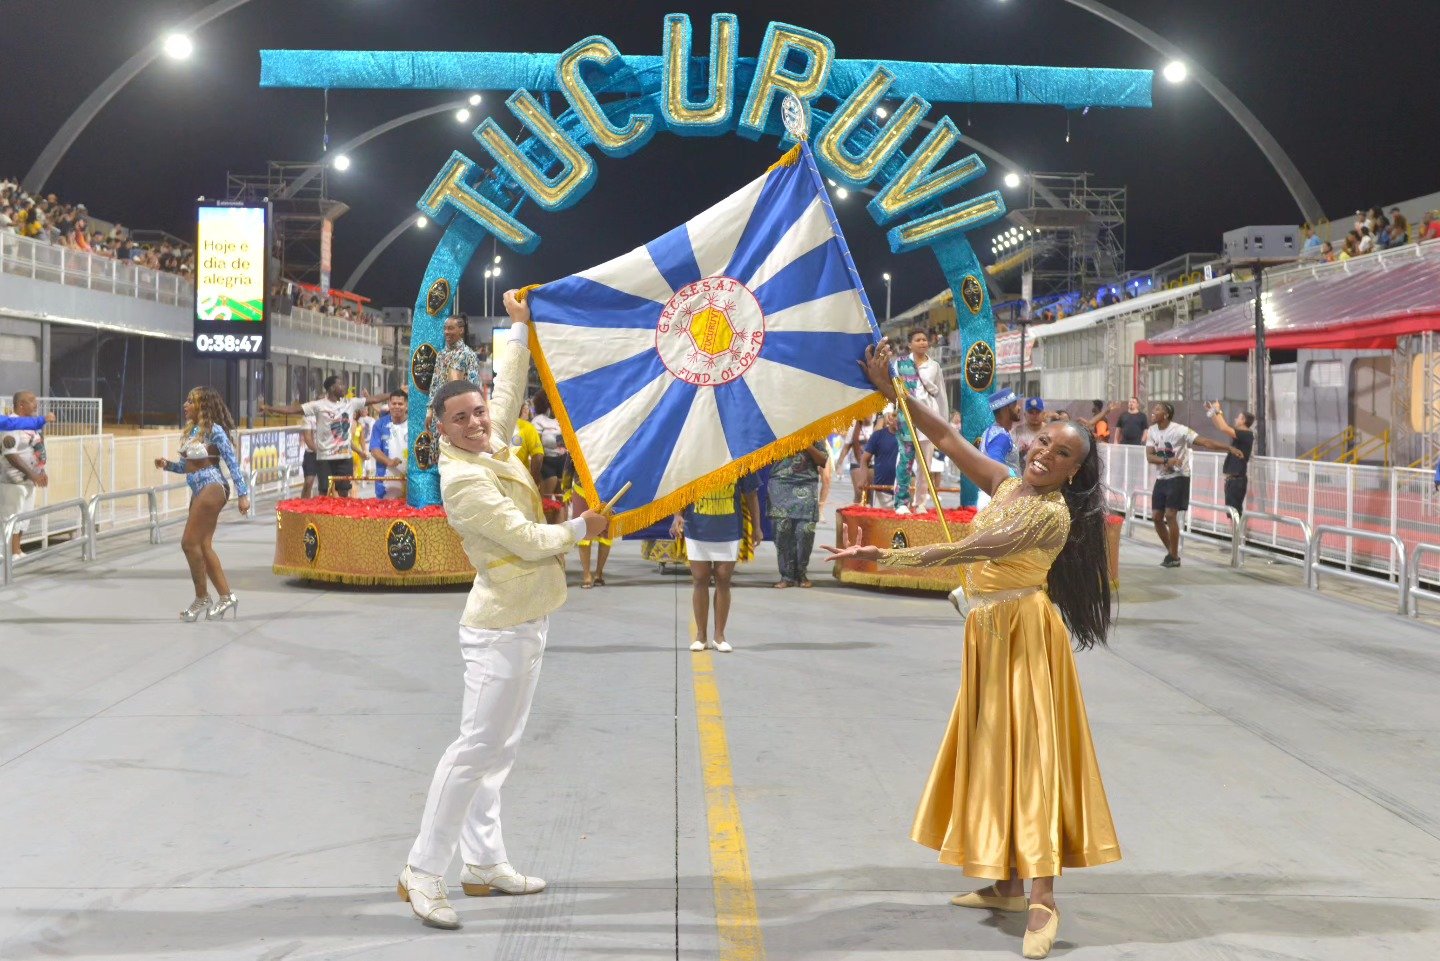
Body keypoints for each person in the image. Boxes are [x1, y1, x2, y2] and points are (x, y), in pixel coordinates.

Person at [825, 341, 1121, 961]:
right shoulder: (1007, 483)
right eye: (1044, 442)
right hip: (988, 633)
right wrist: (895, 393)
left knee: (1033, 757)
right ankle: (1007, 885)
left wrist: (886, 556)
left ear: (1074, 473)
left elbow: (969, 550)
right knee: (994, 751)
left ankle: (1043, 898)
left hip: (1024, 637)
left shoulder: (1050, 516)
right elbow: (948, 438)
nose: (1045, 454)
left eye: (1062, 454)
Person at [398, 290, 609, 930]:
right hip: (497, 632)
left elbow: (509, 391)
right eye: (460, 418)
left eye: (478, 411)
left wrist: (518, 331)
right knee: (473, 752)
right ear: (440, 428)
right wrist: (583, 527)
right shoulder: (463, 481)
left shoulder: (492, 443)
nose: (476, 422)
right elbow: (527, 538)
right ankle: (422, 871)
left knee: (499, 752)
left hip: (527, 620)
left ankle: (484, 862)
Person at [154, 387, 251, 620]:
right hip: (198, 490)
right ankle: (226, 597)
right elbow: (186, 467)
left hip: (213, 487)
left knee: (188, 543)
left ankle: (202, 598)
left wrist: (243, 494)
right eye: (186, 400)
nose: (185, 405)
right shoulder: (192, 432)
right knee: (204, 547)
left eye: (190, 401)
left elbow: (232, 462)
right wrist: (167, 465)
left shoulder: (214, 431)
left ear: (202, 406)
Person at [1144, 402, 1243, 568]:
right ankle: (1172, 553)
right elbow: (1149, 457)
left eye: (1157, 409)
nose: (1153, 412)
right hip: (1161, 478)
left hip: (1179, 476)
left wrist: (1229, 448)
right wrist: (1167, 461)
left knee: (1170, 515)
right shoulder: (1152, 430)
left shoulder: (1180, 430)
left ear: (1166, 415)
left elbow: (1205, 442)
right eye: (1154, 409)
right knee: (1156, 517)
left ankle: (1173, 556)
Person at [670, 474, 762, 654]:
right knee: (700, 579)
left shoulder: (739, 461)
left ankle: (719, 636)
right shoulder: (690, 461)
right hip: (696, 528)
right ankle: (701, 636)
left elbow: (751, 494)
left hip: (729, 529)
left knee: (723, 579)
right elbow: (680, 491)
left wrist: (757, 527)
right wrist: (677, 516)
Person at [263, 377, 371, 496]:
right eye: (340, 384)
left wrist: (359, 451)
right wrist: (270, 408)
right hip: (320, 455)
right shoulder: (314, 410)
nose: (344, 387)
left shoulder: (347, 404)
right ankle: (308, 504)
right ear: (331, 388)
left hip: (342, 456)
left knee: (343, 491)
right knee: (318, 487)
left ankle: (339, 507)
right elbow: (293, 410)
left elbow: (373, 400)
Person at [768, 439, 827, 589]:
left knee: (805, 532)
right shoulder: (776, 430)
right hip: (781, 484)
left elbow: (823, 460)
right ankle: (786, 576)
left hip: (806, 484)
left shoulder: (815, 432)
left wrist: (806, 444)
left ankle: (801, 573)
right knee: (782, 532)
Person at [1, 392, 49, 561]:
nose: (35, 404)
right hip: (13, 481)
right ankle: (11, 552)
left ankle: (17, 549)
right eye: (31, 401)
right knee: (12, 516)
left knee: (24, 516)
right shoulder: (10, 425)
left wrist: (40, 471)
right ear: (20, 405)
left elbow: (36, 449)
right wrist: (33, 474)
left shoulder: (30, 425)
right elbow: (11, 455)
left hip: (29, 479)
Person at [906, 329, 948, 511]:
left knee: (925, 464)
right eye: (918, 340)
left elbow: (941, 394)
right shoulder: (901, 364)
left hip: (928, 418)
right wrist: (890, 413)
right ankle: (901, 501)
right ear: (910, 344)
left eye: (924, 339)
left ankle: (920, 502)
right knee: (904, 462)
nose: (922, 342)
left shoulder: (934, 366)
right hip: (907, 417)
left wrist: (943, 422)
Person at [428, 314, 482, 416]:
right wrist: (430, 409)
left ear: (461, 330)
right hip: (439, 412)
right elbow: (435, 383)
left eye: (450, 328)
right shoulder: (441, 355)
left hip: (460, 413)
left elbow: (474, 386)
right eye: (445, 328)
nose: (446, 332)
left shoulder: (467, 354)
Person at [1207, 402, 1255, 515]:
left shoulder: (1246, 434)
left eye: (1238, 417)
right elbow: (1220, 426)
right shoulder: (1242, 434)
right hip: (1232, 480)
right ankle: (1235, 527)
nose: (1235, 419)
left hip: (1237, 480)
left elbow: (1223, 427)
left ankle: (1238, 527)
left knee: (1234, 512)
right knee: (1231, 512)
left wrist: (1217, 410)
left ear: (1243, 420)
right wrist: (1212, 411)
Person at [369, 390, 409, 500]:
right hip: (386, 483)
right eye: (394, 403)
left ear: (406, 405)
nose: (397, 407)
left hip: (410, 482)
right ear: (389, 404)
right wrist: (389, 461)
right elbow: (374, 450)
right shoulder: (380, 424)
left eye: (400, 404)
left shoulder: (413, 425)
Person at [861, 406, 901, 507]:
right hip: (881, 490)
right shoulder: (878, 435)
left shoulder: (908, 437)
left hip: (902, 491)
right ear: (890, 418)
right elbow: (865, 459)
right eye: (896, 416)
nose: (899, 420)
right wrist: (864, 478)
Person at [841, 416, 875, 504]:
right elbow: (847, 446)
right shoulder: (854, 426)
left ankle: (868, 512)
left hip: (872, 463)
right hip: (856, 462)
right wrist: (839, 464)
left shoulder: (876, 424)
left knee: (869, 494)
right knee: (859, 493)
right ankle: (856, 511)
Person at [1010, 398, 1046, 464]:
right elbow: (1009, 455)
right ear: (1025, 415)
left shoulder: (1050, 431)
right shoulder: (1016, 432)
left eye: (1037, 412)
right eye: (1031, 412)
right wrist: (1020, 452)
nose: (1034, 415)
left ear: (1043, 414)